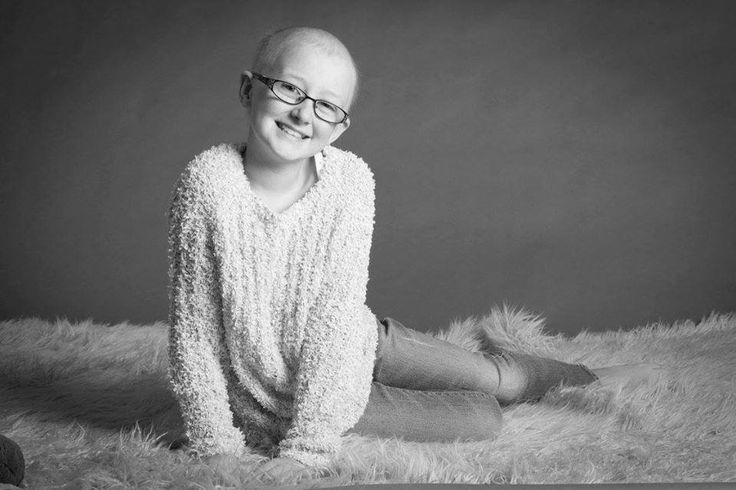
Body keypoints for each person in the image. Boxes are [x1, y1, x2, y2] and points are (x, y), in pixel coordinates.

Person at [167, 26, 659, 480]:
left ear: (338, 128)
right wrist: (218, 444)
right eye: (290, 89)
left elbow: (335, 318)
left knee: (501, 381)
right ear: (247, 88)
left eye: (326, 105)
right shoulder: (207, 184)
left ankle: (588, 377)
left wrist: (308, 449)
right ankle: (419, 399)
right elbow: (195, 328)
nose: (302, 114)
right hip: (283, 398)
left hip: (356, 344)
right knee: (483, 418)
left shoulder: (349, 183)